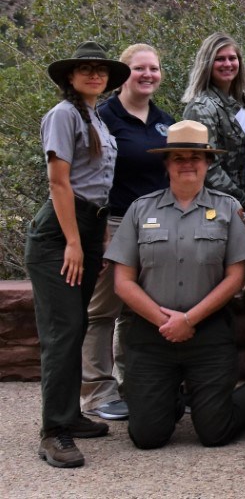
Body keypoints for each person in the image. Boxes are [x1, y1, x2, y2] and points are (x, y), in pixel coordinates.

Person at [106, 120, 245, 449]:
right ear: (166, 163)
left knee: (215, 433)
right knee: (147, 437)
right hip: (150, 336)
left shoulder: (228, 209)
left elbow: (236, 276)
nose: (187, 162)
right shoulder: (139, 209)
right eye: (178, 157)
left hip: (208, 332)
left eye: (196, 156)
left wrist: (189, 320)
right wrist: (167, 322)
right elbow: (122, 281)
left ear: (207, 162)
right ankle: (168, 400)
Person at [27, 42, 128, 468]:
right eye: (85, 70)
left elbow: (98, 186)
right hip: (58, 234)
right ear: (70, 77)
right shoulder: (63, 115)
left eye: (100, 71)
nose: (94, 75)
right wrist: (72, 241)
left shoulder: (96, 118)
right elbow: (59, 182)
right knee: (63, 331)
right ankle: (55, 432)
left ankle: (70, 414)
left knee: (76, 322)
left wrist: (97, 239)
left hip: (87, 228)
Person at [83, 44, 174, 423]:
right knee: (101, 309)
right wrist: (99, 229)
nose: (148, 75)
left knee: (137, 310)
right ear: (124, 74)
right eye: (139, 68)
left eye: (153, 68)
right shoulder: (104, 117)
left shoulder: (165, 122)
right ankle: (96, 391)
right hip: (115, 223)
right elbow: (90, 176)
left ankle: (131, 382)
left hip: (154, 225)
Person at [181, 33, 245, 221]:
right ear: (207, 64)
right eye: (219, 59)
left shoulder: (243, 104)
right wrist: (243, 201)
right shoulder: (201, 107)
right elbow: (207, 166)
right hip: (218, 210)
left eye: (232, 58)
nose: (227, 64)